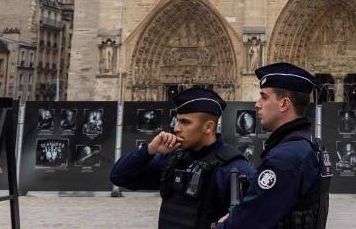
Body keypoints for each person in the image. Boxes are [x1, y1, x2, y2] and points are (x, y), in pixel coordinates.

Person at [110, 86, 255, 229]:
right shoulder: (173, 159)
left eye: (185, 122)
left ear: (208, 127)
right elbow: (119, 177)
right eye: (177, 120)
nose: (176, 128)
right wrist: (149, 150)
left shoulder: (233, 169)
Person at [218, 63, 332, 229]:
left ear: (284, 104)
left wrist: (222, 225)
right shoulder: (308, 145)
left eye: (264, 97)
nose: (257, 104)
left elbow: (249, 223)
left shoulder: (286, 157)